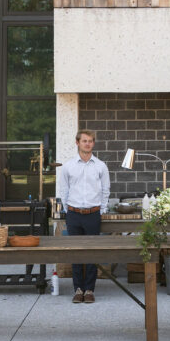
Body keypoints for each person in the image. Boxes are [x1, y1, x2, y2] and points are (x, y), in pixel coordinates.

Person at [57, 129, 109, 304]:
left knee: (92, 253)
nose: (88, 143)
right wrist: (68, 209)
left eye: (90, 141)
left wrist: (101, 210)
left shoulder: (101, 166)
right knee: (76, 253)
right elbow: (64, 190)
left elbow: (105, 190)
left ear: (93, 143)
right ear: (77, 142)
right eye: (84, 141)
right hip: (74, 214)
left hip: (93, 214)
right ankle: (78, 289)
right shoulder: (68, 166)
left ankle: (89, 290)